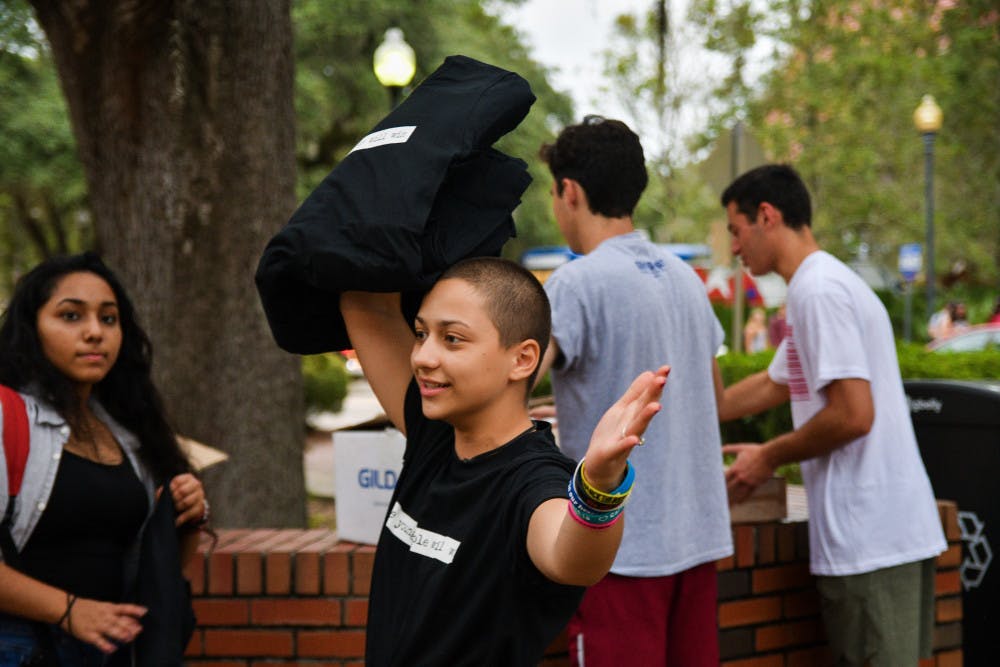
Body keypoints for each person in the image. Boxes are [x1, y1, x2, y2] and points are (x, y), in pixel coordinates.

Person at [339, 257, 669, 666]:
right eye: (422, 333)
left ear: (523, 359)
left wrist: (599, 485)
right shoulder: (434, 436)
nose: (423, 356)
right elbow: (363, 303)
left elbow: (572, 561)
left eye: (453, 339)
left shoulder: (535, 481)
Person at [718, 165, 946, 666]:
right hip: (879, 537)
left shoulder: (815, 292)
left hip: (871, 540)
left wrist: (767, 456)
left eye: (736, 231)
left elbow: (852, 415)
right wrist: (702, 376)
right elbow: (772, 384)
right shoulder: (822, 284)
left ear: (767, 216)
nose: (734, 249)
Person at [536, 115, 732, 666]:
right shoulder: (687, 281)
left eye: (554, 194)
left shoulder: (574, 283)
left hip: (615, 550)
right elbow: (710, 397)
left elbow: (516, 379)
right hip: (697, 539)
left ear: (569, 192)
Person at [0, 253, 209, 666]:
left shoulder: (128, 431)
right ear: (32, 329)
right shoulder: (7, 416)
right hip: (21, 650)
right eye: (71, 316)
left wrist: (186, 518)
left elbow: (156, 568)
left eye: (108, 319)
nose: (95, 332)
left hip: (111, 652)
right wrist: (69, 609)